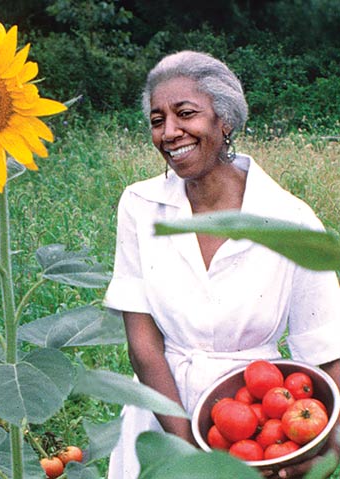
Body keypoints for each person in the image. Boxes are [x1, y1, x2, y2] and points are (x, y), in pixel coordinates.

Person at [104, 50, 340, 478]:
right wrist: (189, 448)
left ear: (225, 120)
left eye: (185, 114)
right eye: (158, 121)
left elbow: (328, 351)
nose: (170, 132)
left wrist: (317, 452)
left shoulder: (291, 220)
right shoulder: (140, 205)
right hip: (161, 416)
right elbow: (142, 342)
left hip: (258, 431)